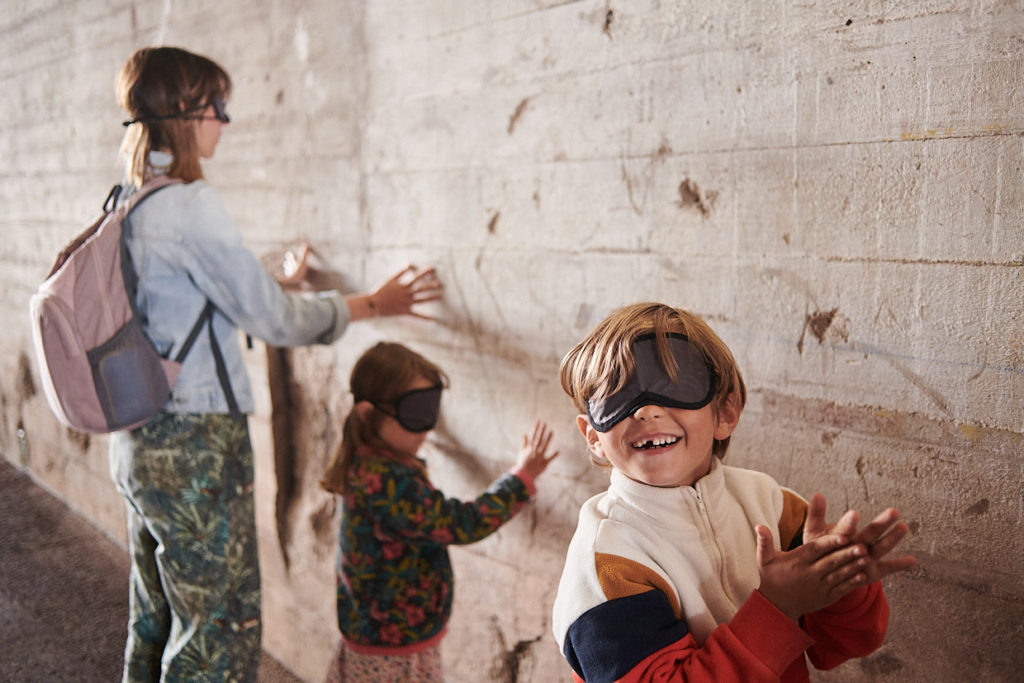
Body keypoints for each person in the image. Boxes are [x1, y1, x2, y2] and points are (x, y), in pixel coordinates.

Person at [108, 46, 443, 682]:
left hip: (137, 438)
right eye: (217, 106)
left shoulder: (129, 199)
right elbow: (272, 321)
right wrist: (373, 303)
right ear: (185, 113)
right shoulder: (189, 204)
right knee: (218, 631)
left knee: (155, 616)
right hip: (195, 445)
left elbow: (186, 299)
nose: (224, 122)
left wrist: (270, 280)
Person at [552, 302, 916, 682]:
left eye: (674, 386)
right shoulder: (606, 562)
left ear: (725, 413)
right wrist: (777, 608)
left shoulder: (774, 506)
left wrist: (842, 586)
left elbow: (841, 644)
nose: (646, 411)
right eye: (618, 397)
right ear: (594, 437)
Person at [319, 341, 560, 682]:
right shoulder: (388, 484)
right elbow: (464, 524)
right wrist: (521, 479)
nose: (427, 428)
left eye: (430, 411)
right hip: (393, 650)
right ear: (368, 414)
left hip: (377, 635)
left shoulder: (369, 461)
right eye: (414, 414)